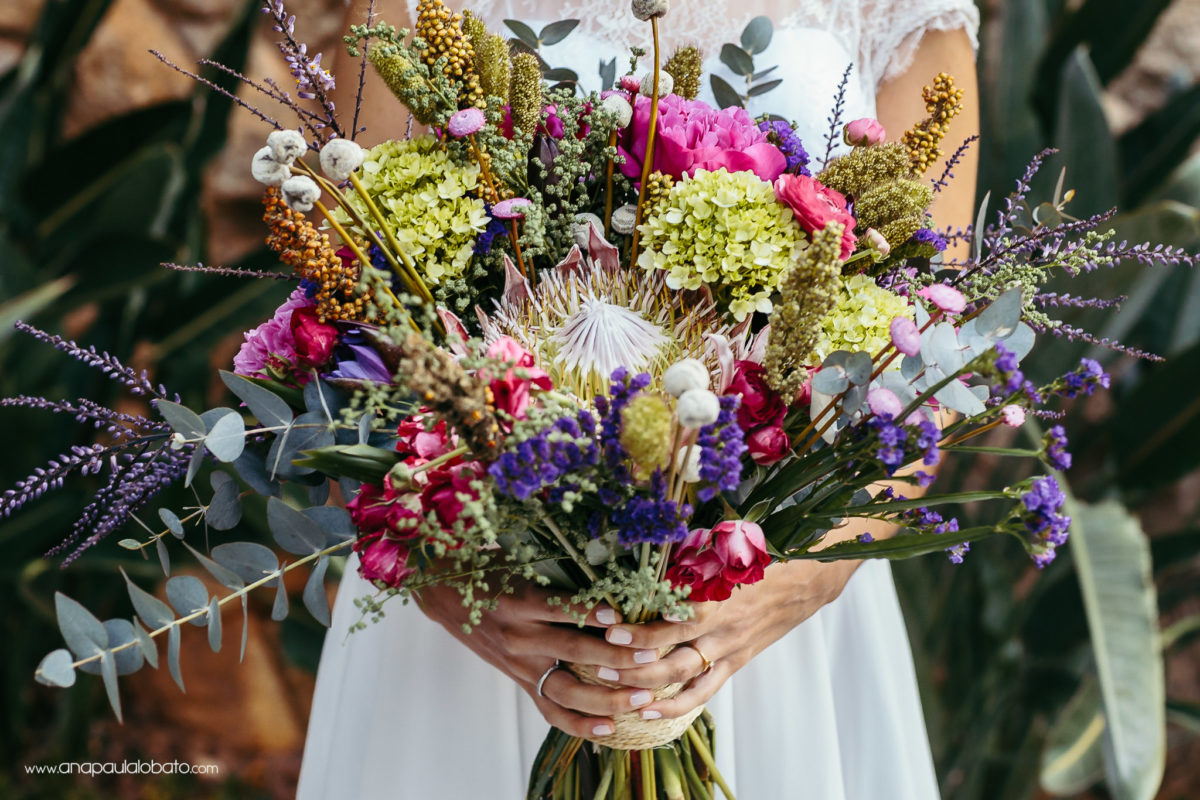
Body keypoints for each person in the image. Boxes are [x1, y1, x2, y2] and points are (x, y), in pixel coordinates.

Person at [298, 1, 980, 797]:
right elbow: (351, 322)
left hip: (764, 609)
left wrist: (803, 580)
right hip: (487, 592)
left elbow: (930, 365)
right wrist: (452, 587)